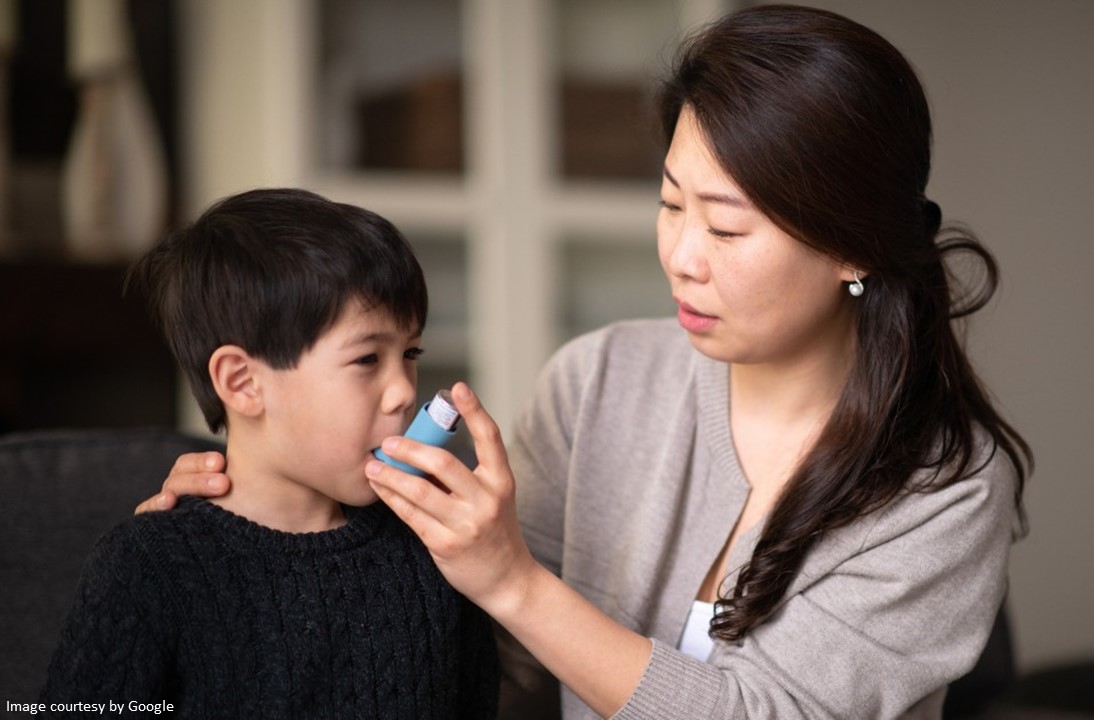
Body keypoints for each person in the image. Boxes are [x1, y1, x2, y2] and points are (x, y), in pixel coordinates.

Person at [142, 6, 1031, 719]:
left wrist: (514, 584)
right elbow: (481, 668)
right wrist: (264, 522)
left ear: (853, 247)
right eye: (669, 203)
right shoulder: (598, 380)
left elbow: (767, 710)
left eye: (726, 227)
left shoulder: (944, 484)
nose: (682, 254)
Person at [45, 188, 499, 718]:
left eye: (410, 353)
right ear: (243, 384)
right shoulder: (151, 566)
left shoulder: (433, 552)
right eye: (368, 358)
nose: (403, 390)